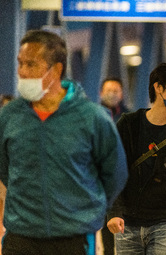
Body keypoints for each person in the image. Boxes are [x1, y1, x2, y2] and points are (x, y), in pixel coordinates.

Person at [0, 30, 128, 255]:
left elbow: (115, 172)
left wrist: (89, 212)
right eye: (20, 64)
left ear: (56, 69)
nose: (22, 72)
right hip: (20, 236)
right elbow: (4, 168)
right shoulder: (9, 116)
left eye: (31, 65)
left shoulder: (91, 117)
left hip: (73, 236)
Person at [107, 63, 166, 254]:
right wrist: (114, 213)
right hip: (128, 222)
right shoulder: (129, 125)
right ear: (158, 87)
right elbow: (114, 171)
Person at [99, 77, 129, 255]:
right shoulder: (93, 114)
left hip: (122, 176)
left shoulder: (128, 117)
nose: (112, 94)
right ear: (101, 93)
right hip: (99, 177)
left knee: (121, 218)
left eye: (115, 91)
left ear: (122, 94)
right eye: (108, 90)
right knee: (104, 221)